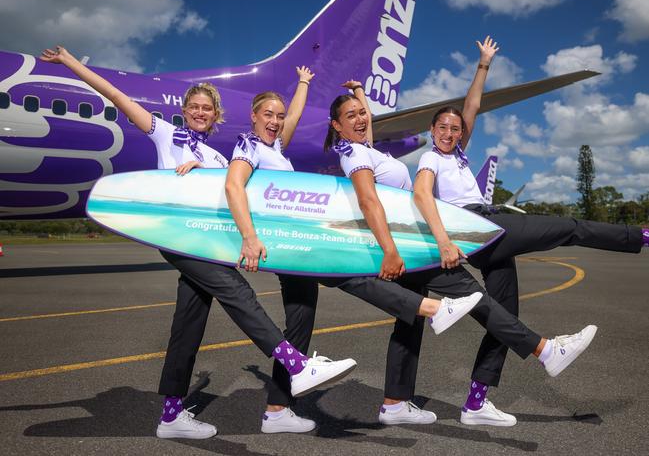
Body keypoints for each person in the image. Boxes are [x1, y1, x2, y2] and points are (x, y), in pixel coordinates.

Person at [39, 46, 358, 440]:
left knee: (188, 325)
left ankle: (171, 416)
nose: (201, 112)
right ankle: (295, 363)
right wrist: (72, 62)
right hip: (178, 234)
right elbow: (117, 97)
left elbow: (242, 179)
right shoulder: (164, 133)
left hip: (206, 242)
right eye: (196, 106)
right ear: (186, 109)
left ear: (215, 115)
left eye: (208, 108)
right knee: (235, 291)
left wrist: (303, 86)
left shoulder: (217, 158)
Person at [324, 74, 598, 428]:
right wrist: (389, 250)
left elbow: (368, 131)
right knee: (478, 300)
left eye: (364, 113)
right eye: (352, 116)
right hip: (410, 246)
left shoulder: (366, 148)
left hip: (411, 242)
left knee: (409, 324)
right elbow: (367, 199)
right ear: (337, 125)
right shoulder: (353, 154)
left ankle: (394, 403)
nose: (362, 119)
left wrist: (360, 93)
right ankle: (545, 350)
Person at [225, 75, 483, 433]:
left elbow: (300, 119)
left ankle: (277, 410)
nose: (276, 120)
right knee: (346, 275)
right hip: (282, 241)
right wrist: (248, 238)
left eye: (280, 115)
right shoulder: (249, 145)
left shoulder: (275, 149)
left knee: (300, 319)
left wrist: (302, 84)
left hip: (289, 241)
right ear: (253, 116)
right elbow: (232, 184)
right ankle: (432, 309)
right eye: (268, 114)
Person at [413, 35, 648, 425]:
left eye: (455, 129)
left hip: (484, 227)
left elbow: (472, 106)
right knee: (568, 228)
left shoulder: (458, 153)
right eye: (443, 127)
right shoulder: (430, 158)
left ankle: (475, 402)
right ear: (432, 129)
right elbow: (422, 195)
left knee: (504, 315)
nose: (450, 132)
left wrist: (483, 65)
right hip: (477, 226)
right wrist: (443, 240)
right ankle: (641, 236)